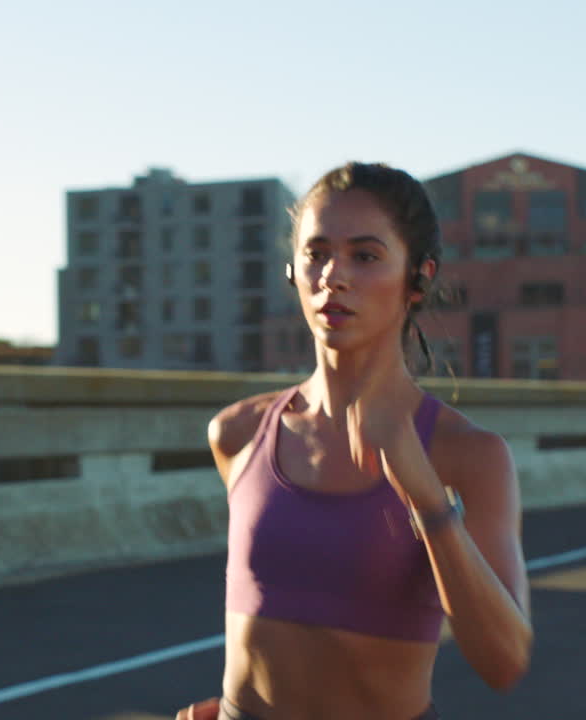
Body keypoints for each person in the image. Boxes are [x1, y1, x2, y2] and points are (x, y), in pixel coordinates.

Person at [176, 162, 532, 720]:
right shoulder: (239, 434)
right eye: (316, 252)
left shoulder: (469, 455)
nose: (333, 276)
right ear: (292, 269)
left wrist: (429, 503)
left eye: (365, 256)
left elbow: (504, 662)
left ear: (418, 277)